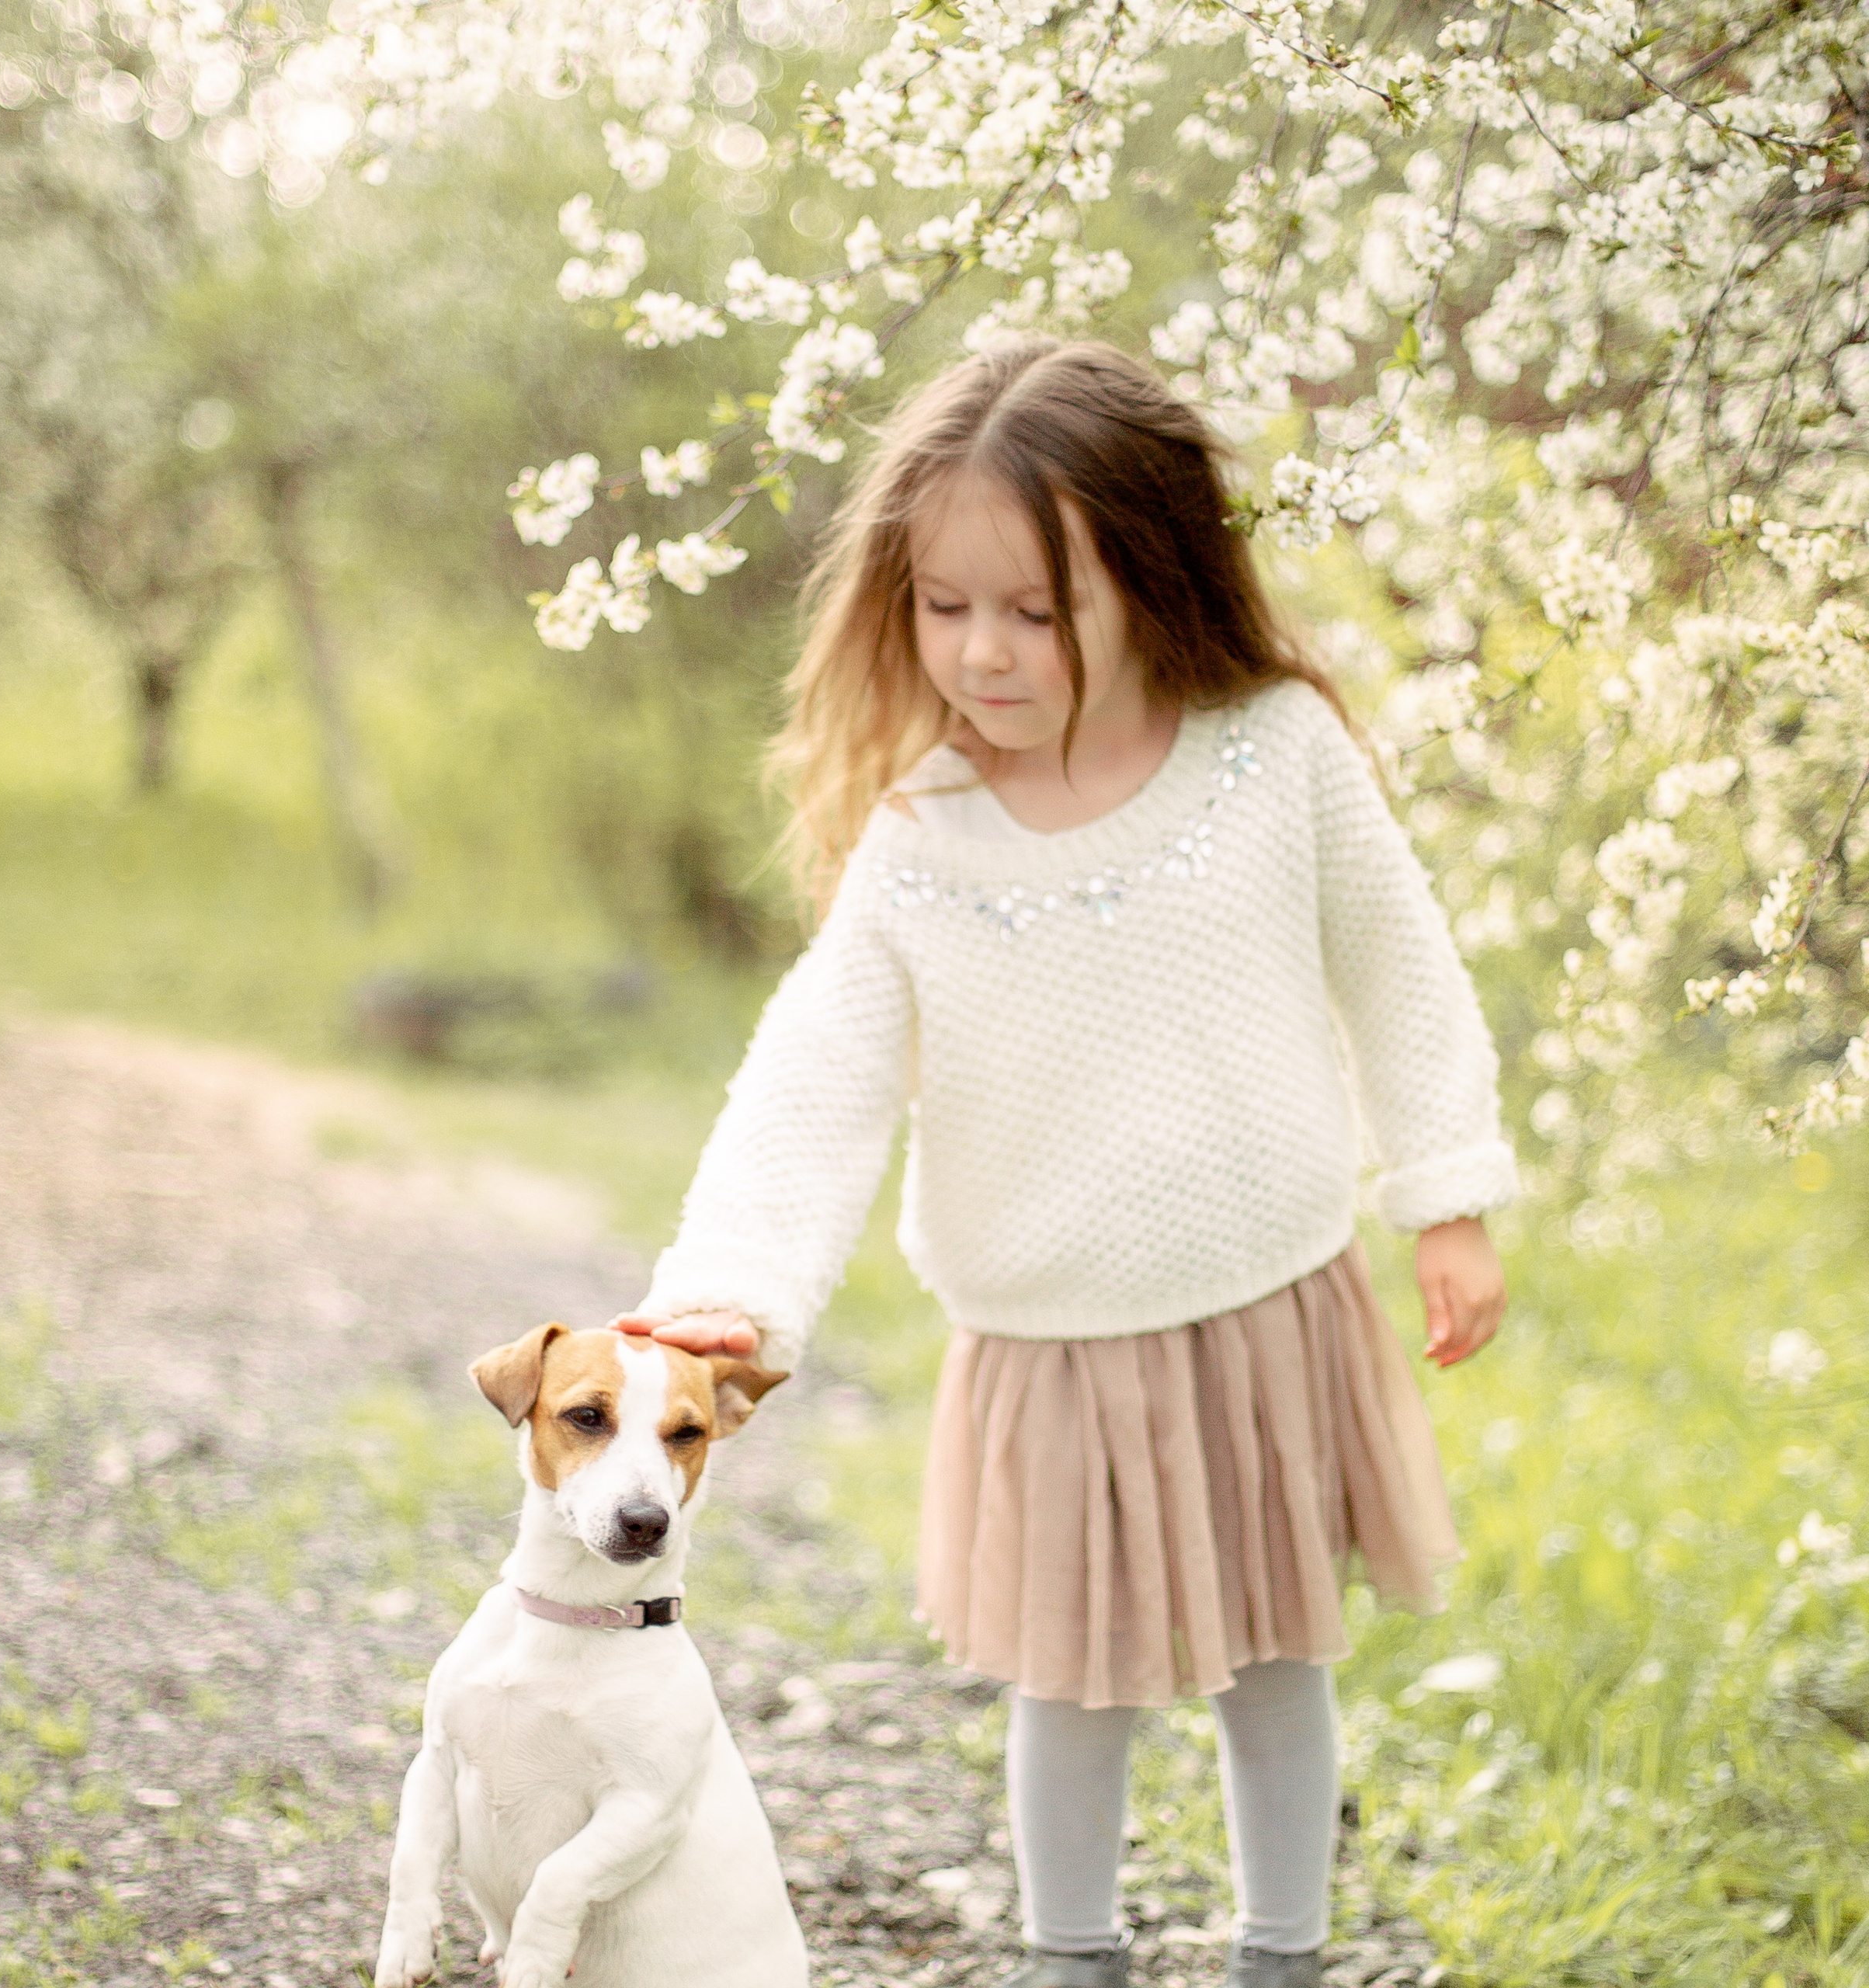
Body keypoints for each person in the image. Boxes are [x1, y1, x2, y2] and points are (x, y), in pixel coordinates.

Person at [612, 337, 1513, 1988]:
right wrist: (731, 1284)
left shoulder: (1271, 752)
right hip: (1046, 1344)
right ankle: (1070, 1956)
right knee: (1069, 1681)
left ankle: (1283, 1953)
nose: (984, 651)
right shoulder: (923, 838)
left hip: (1264, 1301)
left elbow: (1396, 961)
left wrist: (1443, 1189)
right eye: (946, 606)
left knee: (1276, 1657)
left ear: (1151, 580)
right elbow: (815, 1077)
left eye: (1037, 610)